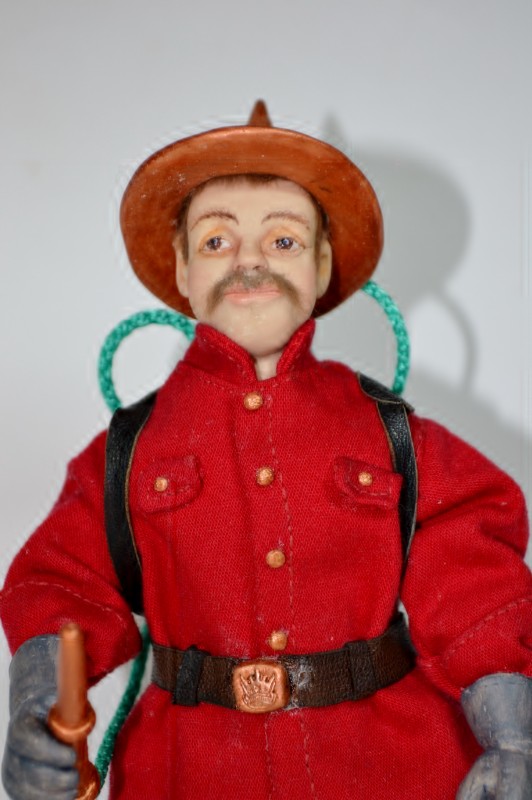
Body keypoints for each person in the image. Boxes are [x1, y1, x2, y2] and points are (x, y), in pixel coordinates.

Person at [1, 101, 531, 800]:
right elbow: (60, 584)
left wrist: (514, 736)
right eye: (216, 241)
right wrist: (38, 711)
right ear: (182, 269)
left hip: (393, 767)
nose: (249, 262)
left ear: (322, 264)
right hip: (187, 772)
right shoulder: (128, 450)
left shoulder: (392, 433)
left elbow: (473, 587)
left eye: (283, 240)